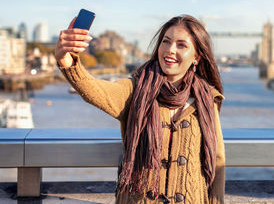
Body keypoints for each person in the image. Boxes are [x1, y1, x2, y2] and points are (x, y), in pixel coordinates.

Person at [55, 15, 225, 203]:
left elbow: (217, 162)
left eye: (181, 45)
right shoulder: (136, 90)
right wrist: (68, 62)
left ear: (197, 56)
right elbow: (95, 90)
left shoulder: (207, 98)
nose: (170, 50)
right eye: (165, 42)